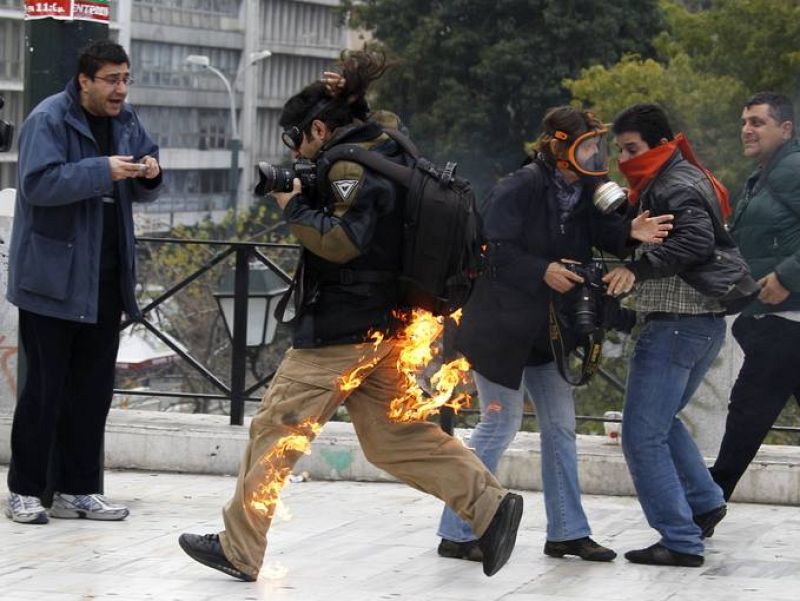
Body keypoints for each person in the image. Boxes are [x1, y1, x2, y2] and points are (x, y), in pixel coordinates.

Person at [178, 50, 523, 582]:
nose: (297, 154)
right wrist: (345, 96)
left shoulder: (348, 166)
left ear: (318, 128)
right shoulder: (388, 144)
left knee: (275, 427)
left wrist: (293, 203)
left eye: (298, 141)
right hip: (390, 327)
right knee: (392, 436)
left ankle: (239, 548)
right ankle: (489, 506)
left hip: (341, 332)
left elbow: (342, 241)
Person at [435, 106, 674, 564]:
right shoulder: (520, 185)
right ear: (559, 146)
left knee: (561, 427)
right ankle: (456, 529)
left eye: (595, 144)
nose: (595, 153)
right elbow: (491, 249)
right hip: (500, 331)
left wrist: (633, 232)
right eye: (586, 144)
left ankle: (567, 532)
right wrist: (541, 269)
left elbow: (609, 233)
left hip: (550, 332)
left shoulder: (587, 189)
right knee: (499, 424)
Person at [5, 40, 161, 524]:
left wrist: (150, 173)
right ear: (85, 81)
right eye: (112, 80)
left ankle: (81, 488)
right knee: (44, 392)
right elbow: (38, 184)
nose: (120, 90)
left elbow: (145, 173)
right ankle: (25, 492)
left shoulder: (127, 121)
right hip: (51, 282)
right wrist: (102, 170)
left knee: (93, 392)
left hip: (106, 278)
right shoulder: (48, 119)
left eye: (125, 79)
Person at [604, 103, 729, 567]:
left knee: (640, 436)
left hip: (675, 324)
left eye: (632, 149)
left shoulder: (675, 183)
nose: (625, 159)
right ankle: (703, 502)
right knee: (663, 421)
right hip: (699, 325)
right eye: (620, 150)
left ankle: (679, 539)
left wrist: (636, 271)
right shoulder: (682, 176)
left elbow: (695, 243)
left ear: (660, 145)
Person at [710, 92, 800, 501]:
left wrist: (786, 274)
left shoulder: (794, 169)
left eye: (758, 122)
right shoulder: (764, 176)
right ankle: (705, 506)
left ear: (785, 129)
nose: (747, 129)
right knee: (747, 413)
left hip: (785, 317)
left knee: (747, 412)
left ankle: (704, 509)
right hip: (773, 318)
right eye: (745, 121)